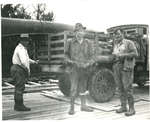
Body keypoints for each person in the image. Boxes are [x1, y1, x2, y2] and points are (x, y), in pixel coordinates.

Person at [64, 23, 95, 115]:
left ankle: (83, 106)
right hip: (74, 69)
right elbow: (65, 55)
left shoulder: (88, 43)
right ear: (75, 33)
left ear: (83, 32)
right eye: (77, 31)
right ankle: (72, 108)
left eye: (81, 31)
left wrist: (88, 63)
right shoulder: (70, 42)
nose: (79, 33)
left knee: (83, 88)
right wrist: (70, 62)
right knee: (73, 88)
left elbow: (92, 56)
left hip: (84, 69)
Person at [112, 29, 138, 116]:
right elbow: (115, 54)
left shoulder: (129, 43)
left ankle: (132, 109)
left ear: (123, 34)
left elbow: (135, 53)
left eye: (119, 34)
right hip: (117, 67)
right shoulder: (115, 44)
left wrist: (123, 55)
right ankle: (123, 107)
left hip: (126, 67)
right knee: (120, 88)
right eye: (116, 35)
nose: (117, 36)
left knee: (128, 88)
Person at [10, 33, 38, 111]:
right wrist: (28, 71)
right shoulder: (21, 49)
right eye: (26, 41)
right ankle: (19, 106)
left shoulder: (22, 48)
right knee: (19, 87)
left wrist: (34, 62)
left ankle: (18, 105)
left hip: (17, 68)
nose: (28, 42)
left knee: (19, 87)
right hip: (19, 68)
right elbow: (23, 62)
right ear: (22, 41)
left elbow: (27, 59)